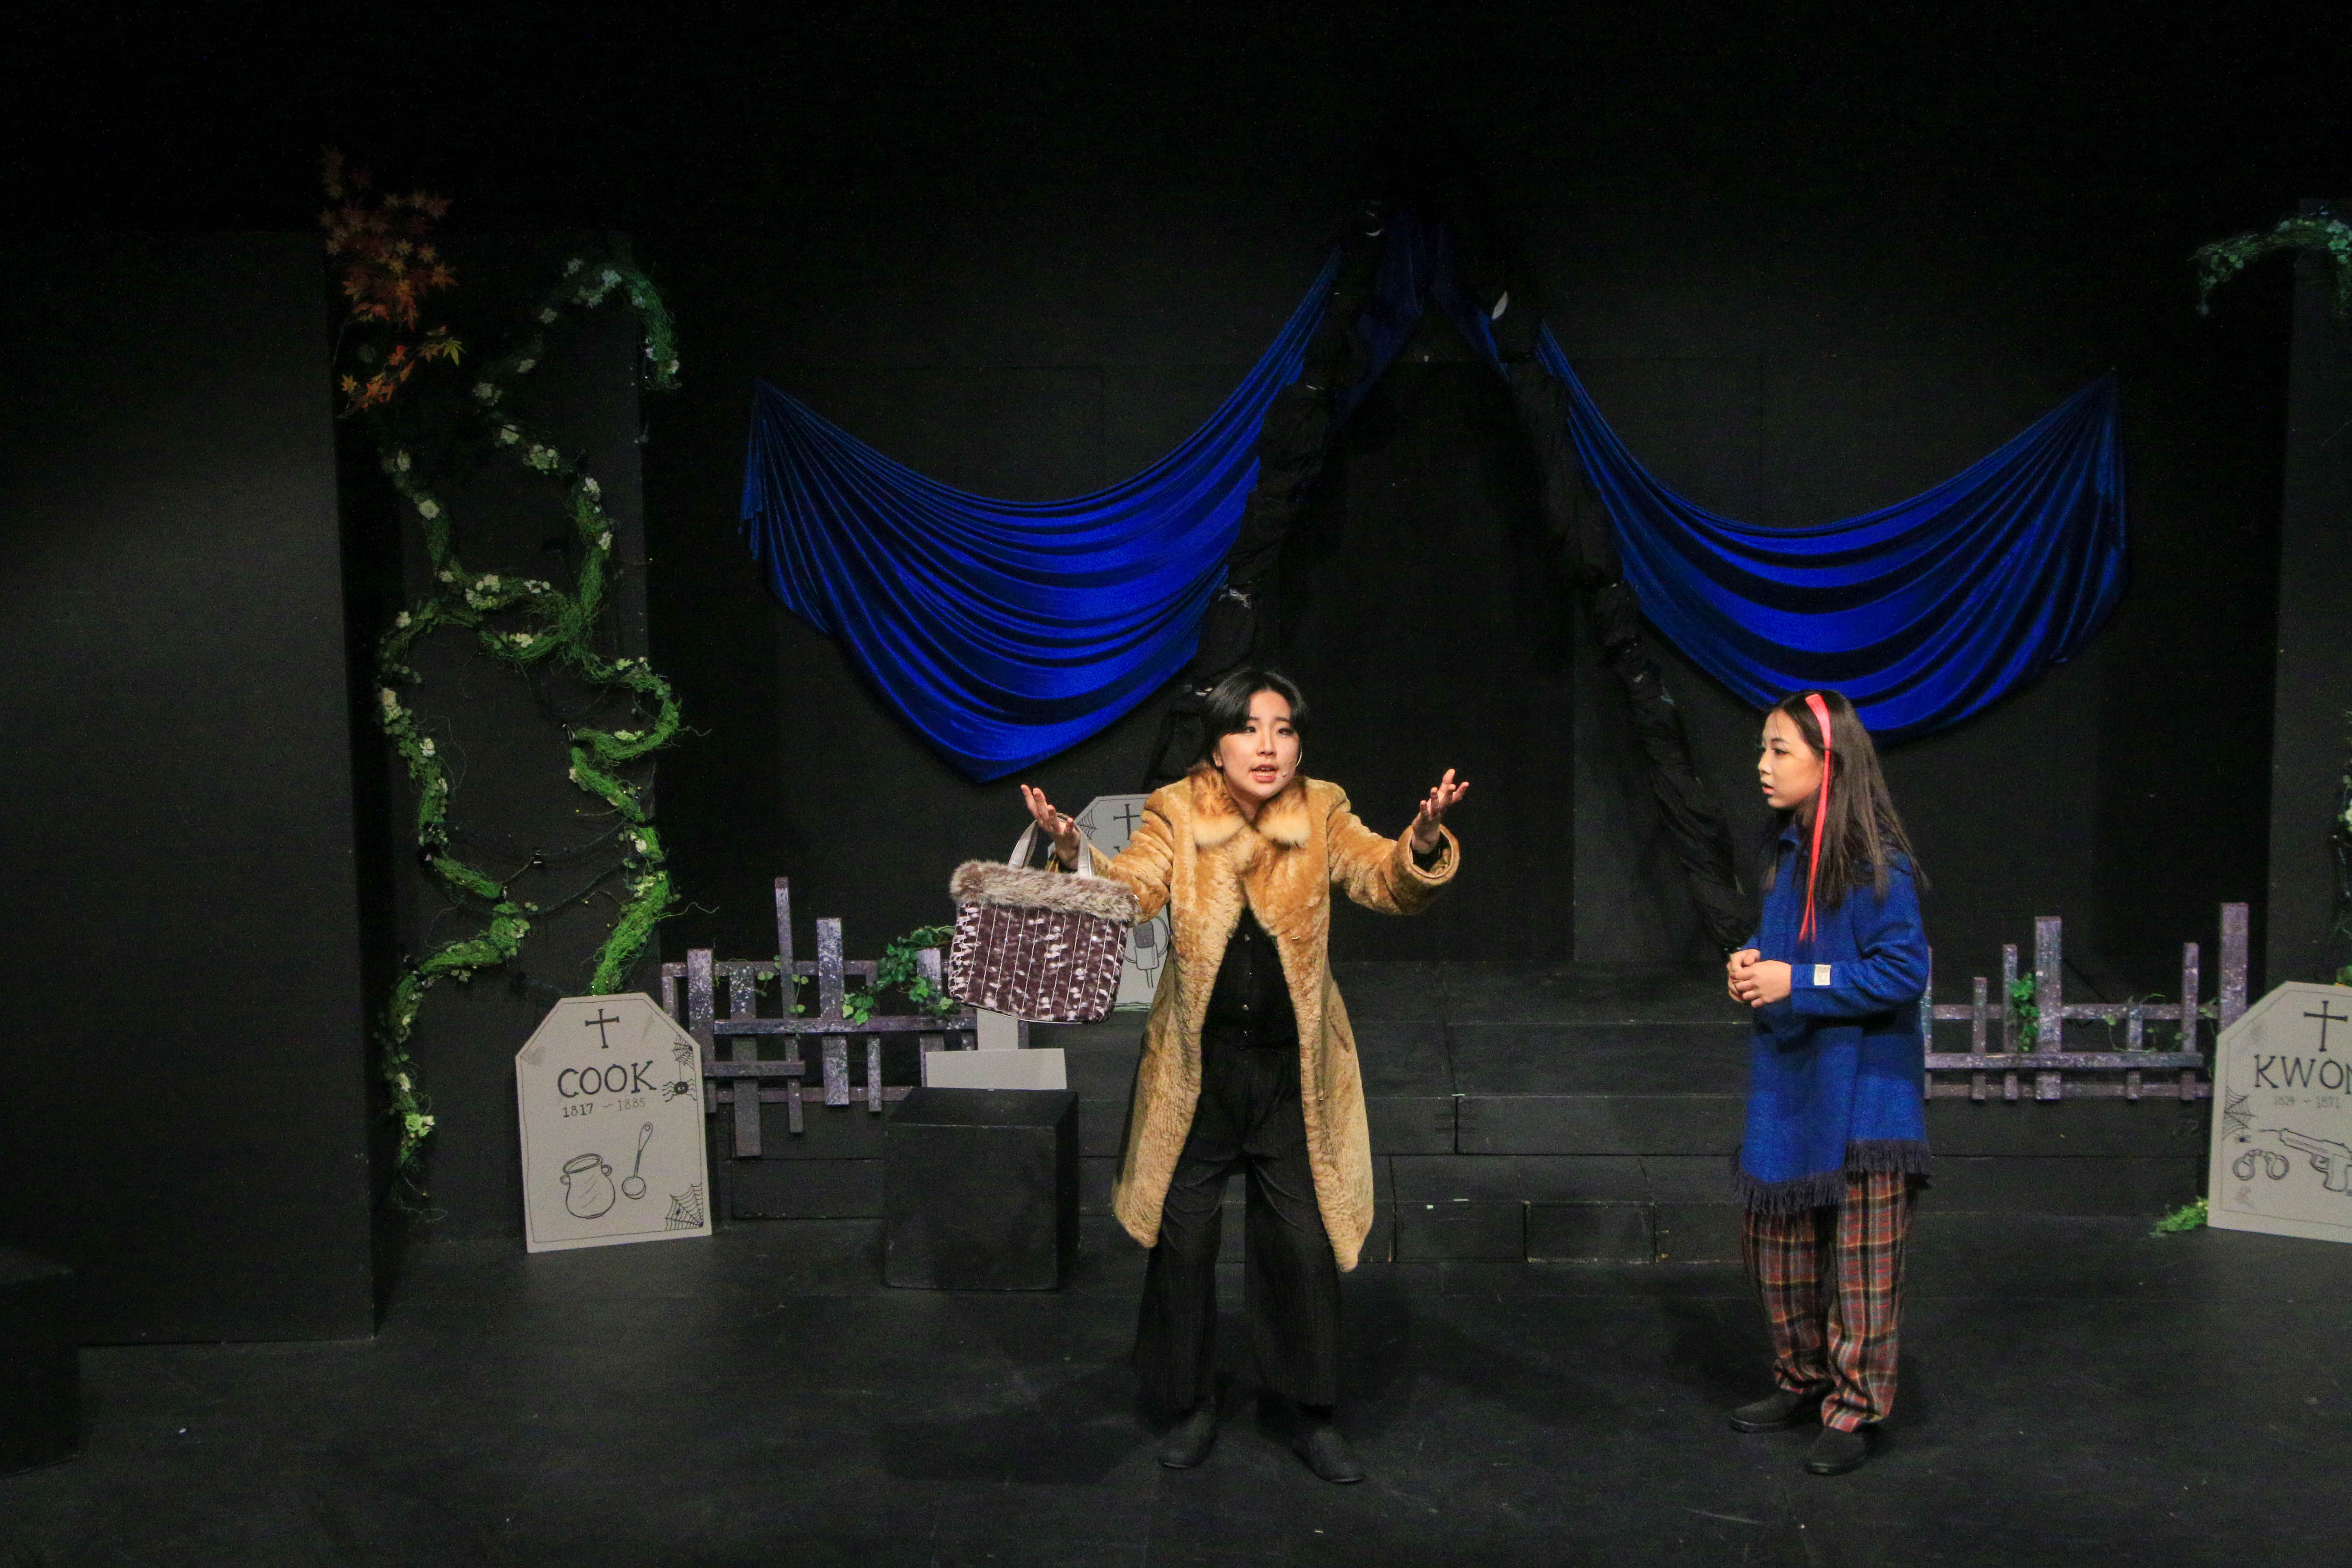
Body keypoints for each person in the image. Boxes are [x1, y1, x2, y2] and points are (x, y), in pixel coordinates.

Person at [1019, 668, 1467, 1484]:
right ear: (1217, 744)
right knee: (1185, 1243)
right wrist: (1075, 852)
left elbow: (1382, 877)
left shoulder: (1322, 808)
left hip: (1293, 1072)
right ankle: (1189, 1404)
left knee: (1301, 1243)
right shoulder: (1177, 809)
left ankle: (1307, 1410)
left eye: (1284, 729)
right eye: (1249, 728)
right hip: (1200, 1071)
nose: (1268, 746)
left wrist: (1424, 842)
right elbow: (1134, 891)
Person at [1724, 689, 1929, 1478]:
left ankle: (1855, 1408)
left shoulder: (1877, 861)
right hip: (1795, 1081)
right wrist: (1752, 959)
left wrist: (1797, 981)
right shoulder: (1787, 853)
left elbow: (1903, 971)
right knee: (1777, 1251)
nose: (1763, 764)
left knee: (1863, 1266)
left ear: (1828, 762)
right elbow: (1789, 941)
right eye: (1764, 747)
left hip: (1866, 1094)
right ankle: (1802, 1378)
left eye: (1780, 750)